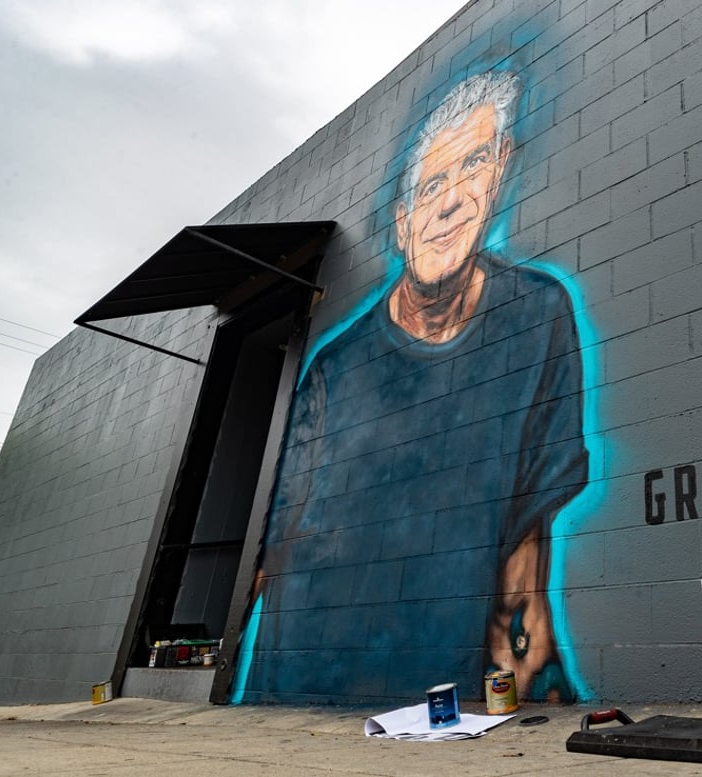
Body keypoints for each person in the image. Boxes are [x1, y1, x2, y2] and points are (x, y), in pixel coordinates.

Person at [252, 70, 588, 703]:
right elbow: (274, 545)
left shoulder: (539, 315)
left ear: (500, 173)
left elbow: (533, 507)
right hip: (303, 681)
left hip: (457, 688)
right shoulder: (331, 370)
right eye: (432, 185)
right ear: (403, 222)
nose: (451, 201)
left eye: (474, 166)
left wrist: (523, 628)